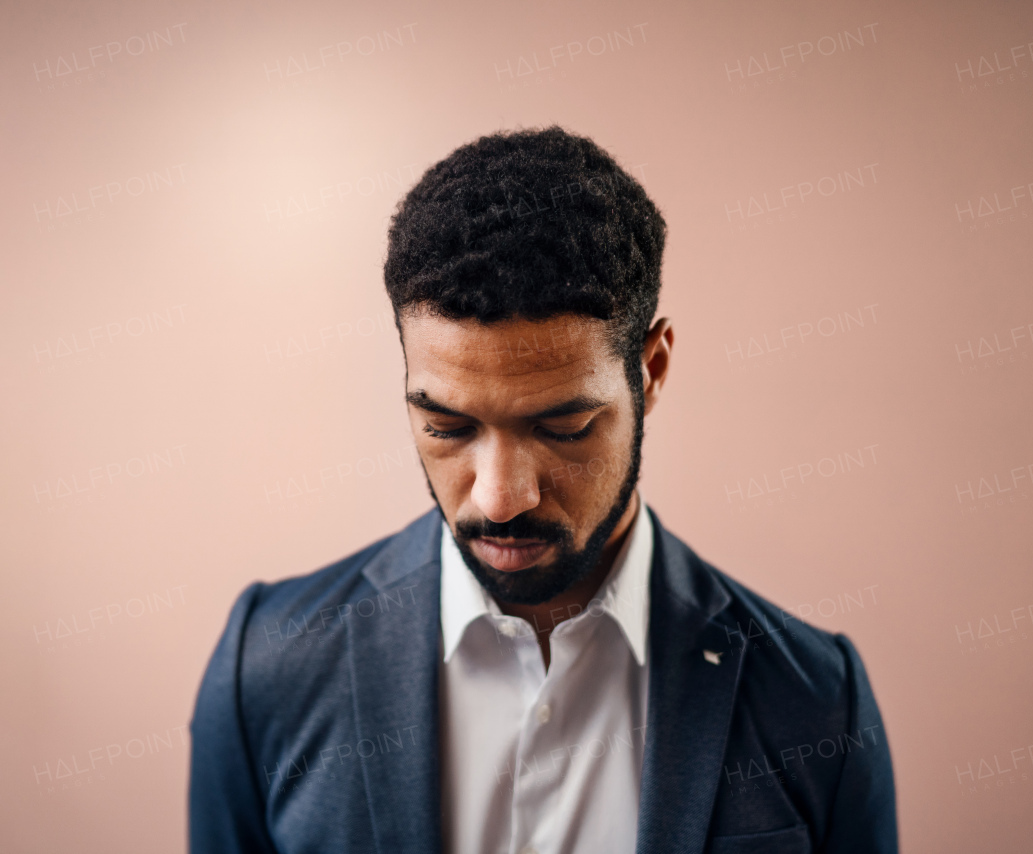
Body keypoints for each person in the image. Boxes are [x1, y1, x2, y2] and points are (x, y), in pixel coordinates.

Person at [189, 126, 897, 854]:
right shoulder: (266, 667)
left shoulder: (816, 702)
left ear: (650, 370)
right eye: (446, 426)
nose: (500, 499)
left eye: (565, 427)